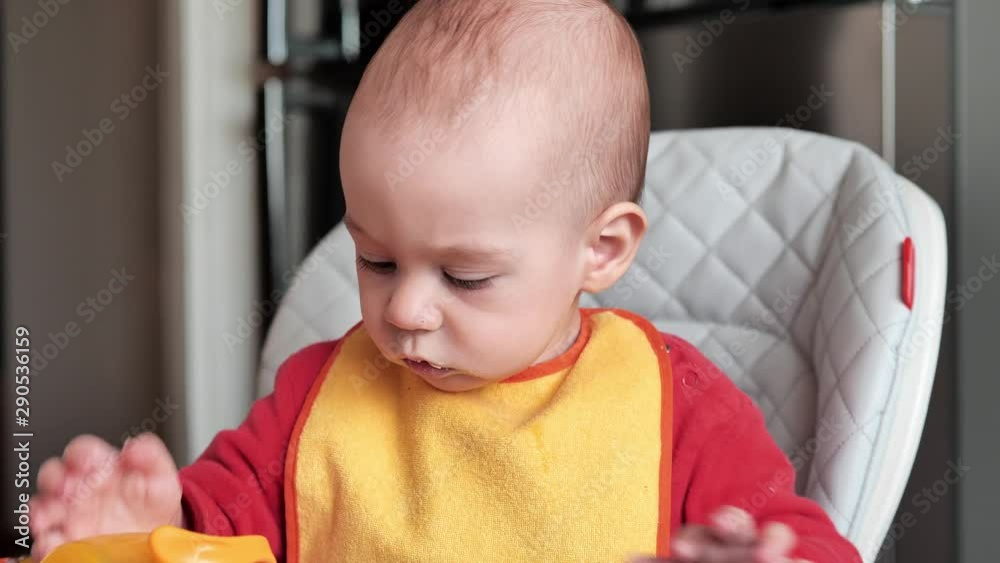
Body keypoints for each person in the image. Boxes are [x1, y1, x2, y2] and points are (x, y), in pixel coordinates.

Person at [28, 1, 862, 561]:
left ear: (602, 248)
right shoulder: (317, 396)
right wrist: (154, 527)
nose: (405, 308)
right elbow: (222, 524)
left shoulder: (676, 406)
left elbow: (807, 542)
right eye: (376, 259)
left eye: (465, 275)